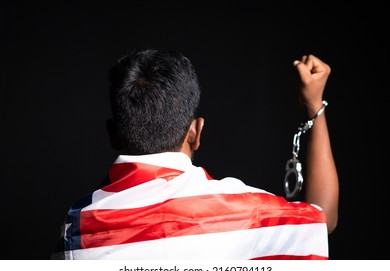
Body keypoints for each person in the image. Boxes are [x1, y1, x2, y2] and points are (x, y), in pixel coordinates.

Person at [51, 49, 338, 260]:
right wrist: (314, 107)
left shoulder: (78, 225)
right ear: (196, 132)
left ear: (112, 133)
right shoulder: (247, 212)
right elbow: (323, 218)